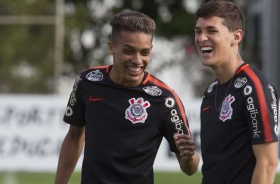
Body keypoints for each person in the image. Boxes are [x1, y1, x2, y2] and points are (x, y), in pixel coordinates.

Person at [55, 10, 199, 184]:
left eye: (144, 52)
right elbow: (74, 137)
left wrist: (189, 156)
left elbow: (190, 169)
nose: (137, 60)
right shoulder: (87, 82)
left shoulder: (165, 99)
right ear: (111, 47)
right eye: (129, 51)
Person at [194, 0, 279, 183]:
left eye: (212, 31)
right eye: (198, 31)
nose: (201, 38)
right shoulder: (211, 91)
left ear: (236, 36)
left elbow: (268, 164)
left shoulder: (254, 87)